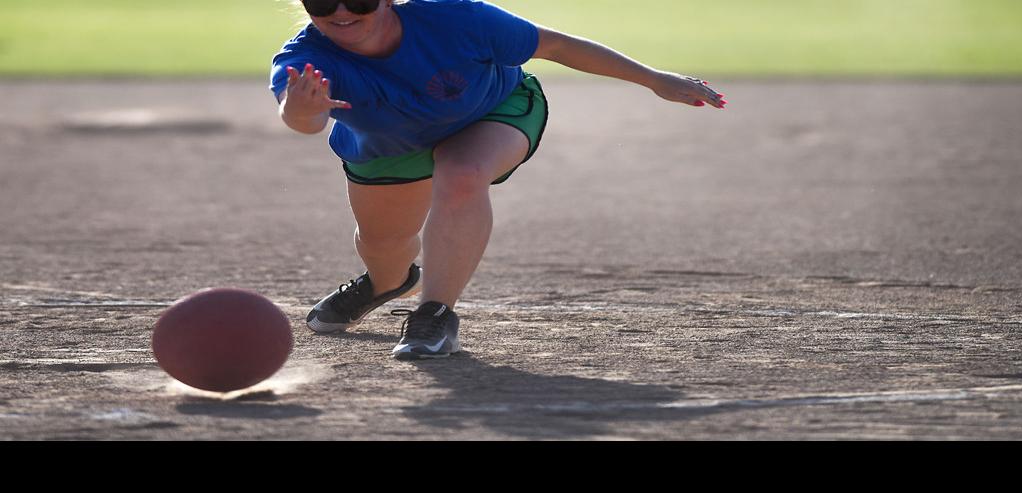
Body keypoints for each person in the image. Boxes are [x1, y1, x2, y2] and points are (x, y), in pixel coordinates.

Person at [271, 0, 726, 359]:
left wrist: (652, 79)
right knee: (384, 246)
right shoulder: (306, 59)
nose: (342, 12)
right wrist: (304, 109)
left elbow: (558, 47)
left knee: (462, 173)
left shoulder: (456, 18)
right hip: (389, 148)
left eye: (359, 0)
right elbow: (303, 121)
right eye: (324, 2)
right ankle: (386, 282)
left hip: (494, 110)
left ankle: (434, 315)